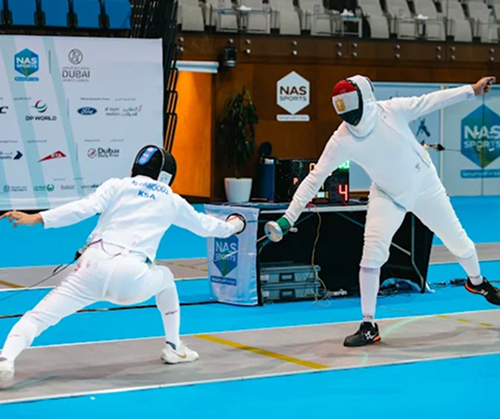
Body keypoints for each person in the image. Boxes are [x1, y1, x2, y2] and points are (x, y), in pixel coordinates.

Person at [269, 75, 500, 347]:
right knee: (371, 256)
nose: (352, 120)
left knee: (460, 243)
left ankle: (477, 282)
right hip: (387, 195)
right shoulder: (342, 138)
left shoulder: (393, 109)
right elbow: (314, 179)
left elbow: (433, 100)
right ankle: (369, 325)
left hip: (425, 187)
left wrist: (471, 90)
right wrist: (288, 218)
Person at [0, 145, 245, 382]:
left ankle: (5, 360)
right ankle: (174, 346)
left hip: (91, 269)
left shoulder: (117, 185)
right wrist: (236, 224)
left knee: (37, 317)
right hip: (132, 279)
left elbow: (83, 208)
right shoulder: (172, 200)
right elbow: (208, 227)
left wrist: (38, 217)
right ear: (167, 176)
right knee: (166, 277)